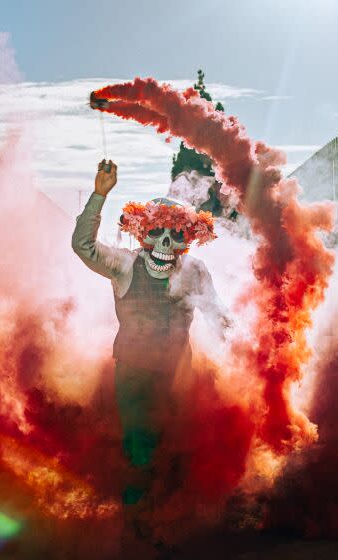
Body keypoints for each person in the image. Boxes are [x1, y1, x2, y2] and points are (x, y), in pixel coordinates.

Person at [71, 159, 229, 544]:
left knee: (180, 447)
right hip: (135, 375)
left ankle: (176, 525)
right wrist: (100, 194)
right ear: (141, 233)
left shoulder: (195, 271)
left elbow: (216, 315)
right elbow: (83, 246)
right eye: (155, 232)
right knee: (140, 447)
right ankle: (137, 529)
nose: (164, 245)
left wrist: (242, 344)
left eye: (174, 236)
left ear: (188, 239)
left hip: (180, 375)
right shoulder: (125, 265)